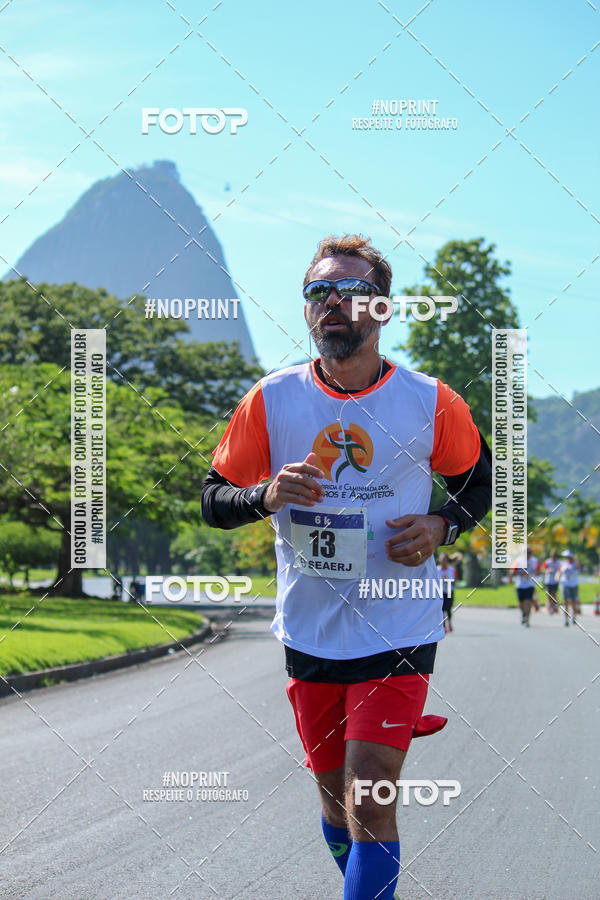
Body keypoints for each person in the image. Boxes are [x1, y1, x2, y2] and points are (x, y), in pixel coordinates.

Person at [201, 234, 492, 899]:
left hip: (398, 629)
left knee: (368, 802)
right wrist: (263, 495)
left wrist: (443, 523)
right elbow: (213, 499)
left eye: (354, 291)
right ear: (307, 309)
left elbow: (482, 484)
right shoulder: (271, 400)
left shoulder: (430, 401)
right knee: (336, 806)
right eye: (319, 291)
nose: (334, 302)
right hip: (309, 634)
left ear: (383, 309)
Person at [509, 548, 539, 627]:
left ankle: (527, 619)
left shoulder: (534, 561)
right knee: (521, 603)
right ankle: (524, 613)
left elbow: (537, 571)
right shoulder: (518, 561)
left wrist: (531, 573)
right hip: (520, 585)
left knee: (528, 602)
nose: (528, 555)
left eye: (529, 553)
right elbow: (512, 571)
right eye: (526, 553)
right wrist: (520, 573)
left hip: (530, 584)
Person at [437, 553, 457, 633]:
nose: (443, 561)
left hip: (449, 591)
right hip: (439, 592)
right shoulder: (436, 570)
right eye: (442, 560)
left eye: (445, 560)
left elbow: (455, 581)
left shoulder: (452, 570)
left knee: (448, 609)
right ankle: (444, 626)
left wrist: (448, 580)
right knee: (441, 610)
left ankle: (449, 623)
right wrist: (441, 580)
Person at [559, 550, 579, 626]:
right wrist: (557, 577)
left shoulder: (575, 564)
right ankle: (566, 619)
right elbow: (560, 571)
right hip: (565, 584)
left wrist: (575, 559)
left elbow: (578, 566)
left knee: (573, 602)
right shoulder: (563, 563)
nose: (567, 558)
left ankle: (574, 616)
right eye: (566, 557)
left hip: (574, 585)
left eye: (568, 557)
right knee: (565, 601)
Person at [541, 551, 560, 615]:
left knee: (553, 594)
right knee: (549, 595)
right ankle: (551, 606)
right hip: (548, 581)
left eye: (555, 557)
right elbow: (543, 569)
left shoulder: (558, 562)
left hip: (555, 581)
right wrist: (548, 570)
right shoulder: (548, 562)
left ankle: (552, 607)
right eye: (553, 557)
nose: (554, 558)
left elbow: (560, 570)